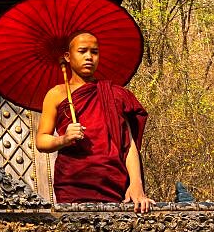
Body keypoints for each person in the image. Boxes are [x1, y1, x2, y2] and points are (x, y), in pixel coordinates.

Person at [35, 31, 153, 209]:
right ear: (67, 56)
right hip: (73, 182)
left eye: (94, 52)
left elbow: (128, 145)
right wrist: (63, 139)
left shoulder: (114, 95)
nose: (89, 57)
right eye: (82, 51)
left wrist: (136, 184)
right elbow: (41, 140)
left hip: (113, 181)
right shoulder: (56, 94)